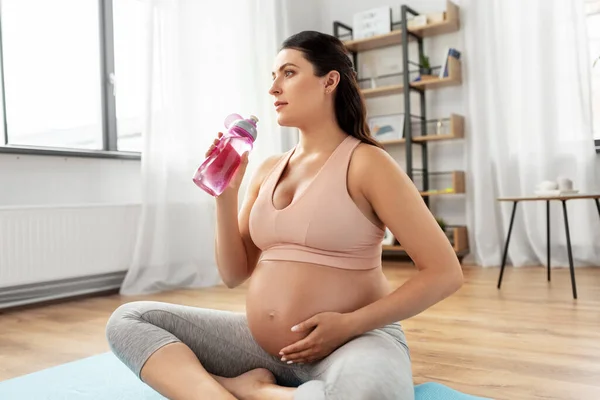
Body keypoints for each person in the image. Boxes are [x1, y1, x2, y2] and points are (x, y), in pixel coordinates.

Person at [106, 30, 464, 400]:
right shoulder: (268, 169)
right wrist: (225, 196)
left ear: (329, 81)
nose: (274, 88)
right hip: (263, 349)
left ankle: (254, 393)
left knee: (365, 394)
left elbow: (444, 273)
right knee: (130, 321)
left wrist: (347, 325)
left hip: (353, 342)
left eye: (288, 73)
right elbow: (233, 274)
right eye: (273, 77)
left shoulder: (367, 164)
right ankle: (244, 392)